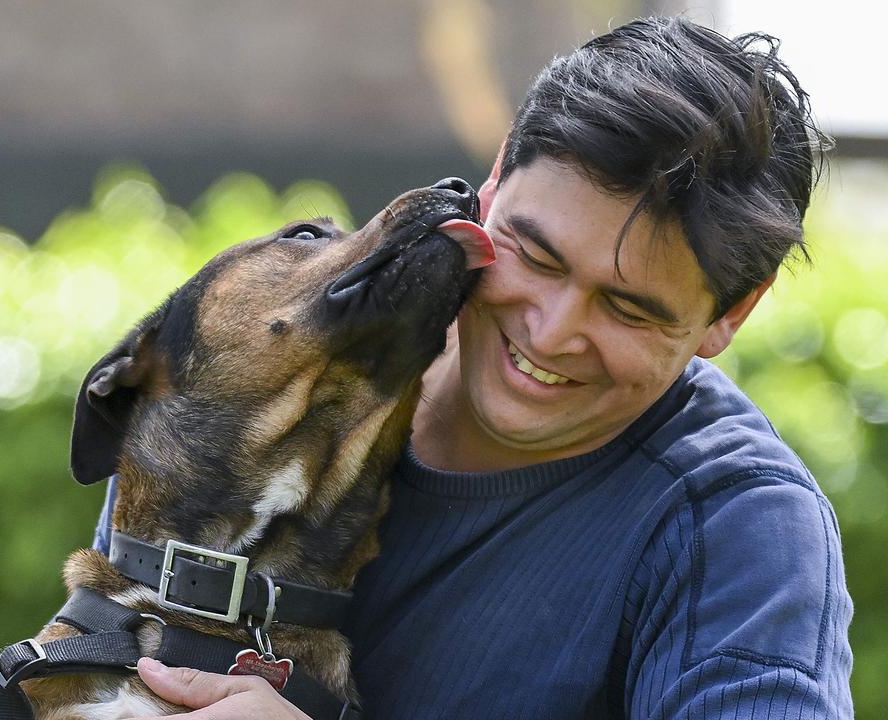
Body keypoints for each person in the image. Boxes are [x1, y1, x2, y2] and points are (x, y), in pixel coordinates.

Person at [101, 16, 854, 719]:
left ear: (731, 314)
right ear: (494, 180)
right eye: (536, 254)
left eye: (628, 309)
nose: (552, 334)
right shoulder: (277, 378)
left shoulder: (739, 529)